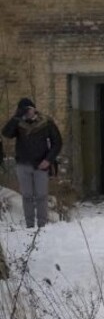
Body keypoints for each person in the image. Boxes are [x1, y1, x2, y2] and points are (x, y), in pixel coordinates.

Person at [2, 97, 62, 229]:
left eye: (29, 108)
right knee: (27, 196)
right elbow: (6, 133)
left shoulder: (45, 122)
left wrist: (48, 160)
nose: (27, 112)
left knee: (41, 195)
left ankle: (42, 225)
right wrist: (16, 117)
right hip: (23, 164)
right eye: (24, 109)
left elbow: (57, 142)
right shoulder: (18, 123)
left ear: (34, 108)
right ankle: (29, 225)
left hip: (42, 164)